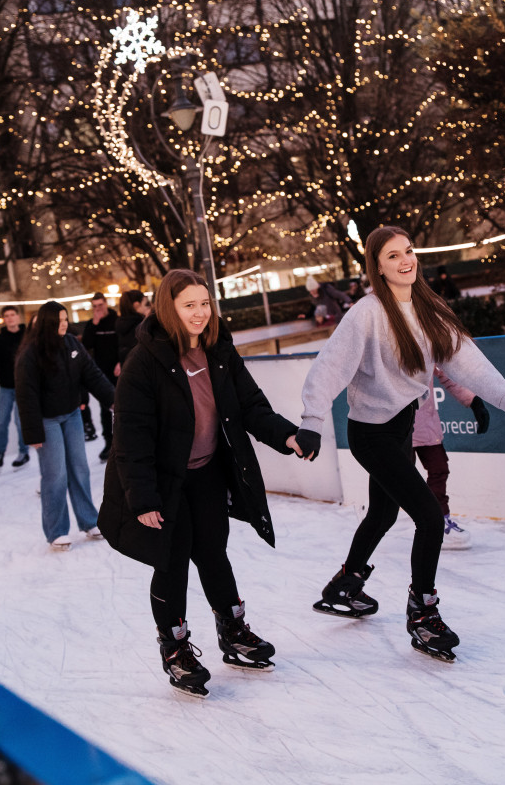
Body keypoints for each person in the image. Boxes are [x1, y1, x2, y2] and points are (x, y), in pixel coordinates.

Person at [294, 226, 505, 663]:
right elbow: (329, 368)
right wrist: (311, 420)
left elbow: (467, 359)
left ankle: (345, 584)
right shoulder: (367, 313)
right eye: (392, 255)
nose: (406, 260)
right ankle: (422, 614)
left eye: (408, 251)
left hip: (401, 426)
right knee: (427, 515)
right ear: (378, 267)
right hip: (370, 433)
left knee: (384, 512)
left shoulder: (428, 307)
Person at [98, 269, 303, 698]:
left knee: (213, 552)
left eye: (205, 303)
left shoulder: (219, 349)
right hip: (163, 481)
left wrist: (287, 436)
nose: (200, 312)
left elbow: (250, 405)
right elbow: (130, 436)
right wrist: (143, 497)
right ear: (168, 309)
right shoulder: (144, 362)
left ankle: (232, 630)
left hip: (208, 471)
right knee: (171, 561)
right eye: (189, 305)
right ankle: (174, 647)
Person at [16, 301, 115, 551]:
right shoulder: (32, 353)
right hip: (46, 421)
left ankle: (89, 521)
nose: (64, 323)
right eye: (59, 320)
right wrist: (33, 433)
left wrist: (114, 400)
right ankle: (57, 531)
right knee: (56, 474)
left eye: (65, 319)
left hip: (71, 415)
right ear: (48, 322)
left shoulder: (72, 344)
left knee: (80, 468)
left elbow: (92, 374)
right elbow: (26, 395)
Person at [412, 368, 492, 551]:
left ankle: (440, 523)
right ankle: (375, 517)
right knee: (396, 478)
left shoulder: (427, 344)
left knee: (439, 469)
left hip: (426, 425)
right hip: (396, 426)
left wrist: (474, 401)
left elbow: (448, 374)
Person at [0, 305, 30, 470]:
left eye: (13, 315)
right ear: (4, 319)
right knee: (1, 421)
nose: (10, 318)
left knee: (20, 421)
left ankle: (23, 452)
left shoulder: (27, 335)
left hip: (23, 386)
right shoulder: (0, 338)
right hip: (6, 386)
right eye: (7, 316)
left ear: (18, 317)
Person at [82, 292, 120, 461]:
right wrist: (95, 324)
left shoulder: (116, 320)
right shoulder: (92, 324)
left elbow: (124, 344)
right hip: (102, 373)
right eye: (94, 306)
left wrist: (121, 362)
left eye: (100, 305)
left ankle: (125, 440)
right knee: (106, 409)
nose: (98, 309)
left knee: (122, 406)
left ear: (106, 304)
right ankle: (109, 443)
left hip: (118, 370)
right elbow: (86, 345)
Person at [115, 289, 150, 366]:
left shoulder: (121, 323)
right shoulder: (140, 326)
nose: (149, 307)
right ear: (136, 305)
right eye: (146, 304)